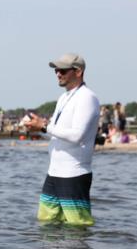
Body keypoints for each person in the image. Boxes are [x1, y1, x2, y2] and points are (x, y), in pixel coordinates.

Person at [25, 53, 101, 226]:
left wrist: (44, 127)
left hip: (73, 173)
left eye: (63, 70)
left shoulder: (87, 97)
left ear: (78, 71)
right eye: (56, 70)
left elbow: (77, 135)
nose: (58, 74)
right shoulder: (64, 97)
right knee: (46, 224)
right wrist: (36, 129)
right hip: (54, 173)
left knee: (78, 226)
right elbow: (56, 132)